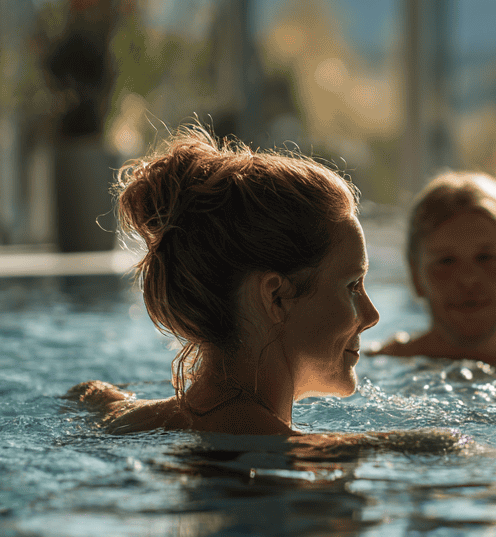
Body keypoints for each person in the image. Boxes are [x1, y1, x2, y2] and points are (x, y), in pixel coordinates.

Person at [67, 125, 379, 435]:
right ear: (275, 297)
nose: (371, 316)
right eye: (352, 286)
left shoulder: (142, 416)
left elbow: (90, 393)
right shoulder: (278, 447)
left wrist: (100, 395)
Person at [371, 171, 496, 367]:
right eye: (446, 261)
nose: (468, 278)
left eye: (485, 258)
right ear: (416, 276)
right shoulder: (377, 367)